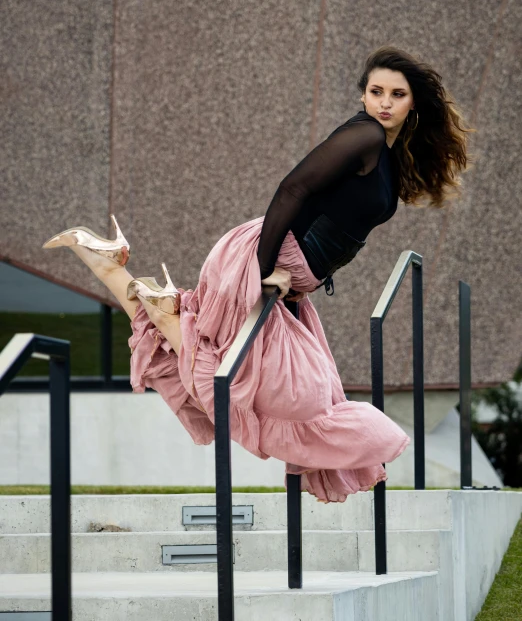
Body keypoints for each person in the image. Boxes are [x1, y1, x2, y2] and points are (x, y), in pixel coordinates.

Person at [42, 45, 474, 502]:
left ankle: (110, 264)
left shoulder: (385, 150)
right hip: (266, 258)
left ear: (413, 103)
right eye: (375, 91)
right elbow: (293, 187)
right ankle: (131, 282)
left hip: (287, 278)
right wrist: (264, 271)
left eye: (396, 94)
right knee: (230, 378)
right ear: (363, 96)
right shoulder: (365, 136)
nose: (384, 102)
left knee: (253, 374)